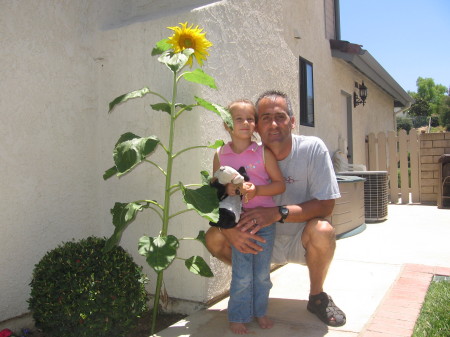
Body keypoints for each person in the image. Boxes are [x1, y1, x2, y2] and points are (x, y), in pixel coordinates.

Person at [206, 90, 346, 327]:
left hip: (299, 238)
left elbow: (327, 203)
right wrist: (230, 230)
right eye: (265, 117)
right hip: (253, 237)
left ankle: (317, 296)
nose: (273, 124)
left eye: (280, 116)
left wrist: (276, 213)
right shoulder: (237, 154)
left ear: (292, 122)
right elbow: (214, 195)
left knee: (323, 230)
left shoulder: (312, 149)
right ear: (257, 127)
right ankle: (249, 284)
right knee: (213, 237)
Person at [212, 99, 285, 334]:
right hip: (239, 223)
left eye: (250, 119)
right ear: (227, 124)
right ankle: (238, 316)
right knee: (242, 274)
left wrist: (257, 190)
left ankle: (260, 311)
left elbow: (279, 185)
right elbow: (215, 187)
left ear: (255, 125)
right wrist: (228, 190)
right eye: (239, 119)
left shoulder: (263, 153)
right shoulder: (220, 153)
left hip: (263, 223)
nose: (246, 123)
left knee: (262, 274)